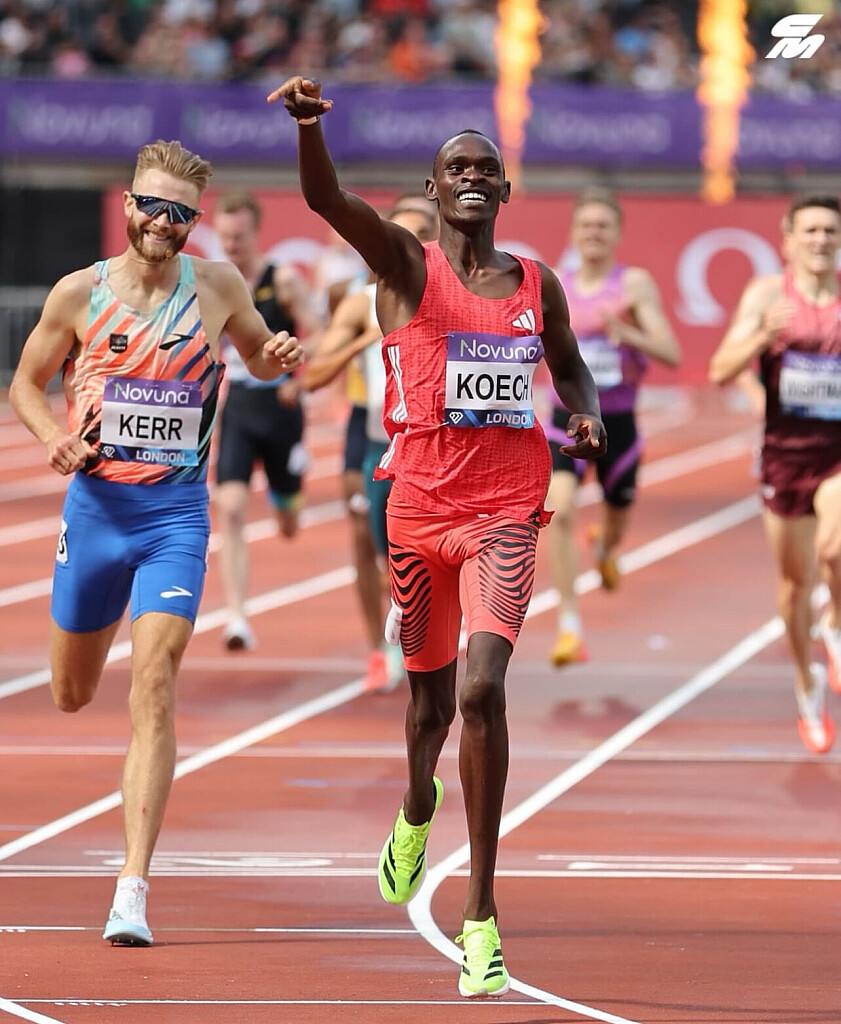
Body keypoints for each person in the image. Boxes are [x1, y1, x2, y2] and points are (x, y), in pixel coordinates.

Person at [267, 76, 606, 997]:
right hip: (417, 512)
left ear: (504, 190)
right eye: (456, 167)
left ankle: (481, 912)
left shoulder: (535, 284)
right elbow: (326, 200)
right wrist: (309, 129)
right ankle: (417, 804)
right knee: (429, 710)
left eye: (485, 170)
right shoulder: (405, 265)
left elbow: (570, 368)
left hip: (506, 509)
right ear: (433, 185)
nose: (471, 178)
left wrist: (582, 414)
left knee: (483, 689)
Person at [8, 139, 303, 945]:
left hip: (175, 517)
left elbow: (258, 358)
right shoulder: (80, 293)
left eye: (181, 214)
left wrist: (276, 355)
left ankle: (131, 887)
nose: (164, 223)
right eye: (153, 207)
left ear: (193, 222)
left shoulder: (218, 286)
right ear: (130, 205)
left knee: (156, 681)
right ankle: (99, 619)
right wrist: (53, 437)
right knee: (71, 692)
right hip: (96, 513)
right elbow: (26, 384)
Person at [710, 193, 841, 756]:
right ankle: (807, 683)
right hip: (784, 458)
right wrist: (763, 334)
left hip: (836, 453)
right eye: (810, 231)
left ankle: (835, 622)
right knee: (794, 586)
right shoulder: (767, 295)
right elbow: (720, 369)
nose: (820, 240)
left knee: (834, 550)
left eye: (830, 231)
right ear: (788, 240)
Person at [304, 201, 437, 692]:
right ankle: (378, 649)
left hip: (432, 440)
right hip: (373, 432)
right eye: (401, 232)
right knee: (368, 541)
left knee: (425, 553)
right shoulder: (361, 301)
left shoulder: (450, 296)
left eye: (421, 234)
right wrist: (365, 340)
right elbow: (314, 375)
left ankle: (430, 633)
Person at [545, 188, 681, 666]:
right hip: (565, 420)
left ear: (619, 233)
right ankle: (569, 625)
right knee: (559, 510)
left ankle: (605, 546)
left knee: (618, 513)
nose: (594, 233)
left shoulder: (634, 286)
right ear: (573, 232)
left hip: (617, 423)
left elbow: (671, 353)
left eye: (603, 226)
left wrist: (627, 333)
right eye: (586, 225)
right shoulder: (555, 283)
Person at [212, 191, 321, 651]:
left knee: (289, 524)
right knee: (231, 508)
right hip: (238, 406)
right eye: (224, 238)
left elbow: (321, 335)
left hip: (281, 408)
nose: (230, 246)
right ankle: (237, 616)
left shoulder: (284, 280)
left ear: (256, 232)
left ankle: (286, 493)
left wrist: (296, 362)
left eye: (238, 237)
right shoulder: (216, 285)